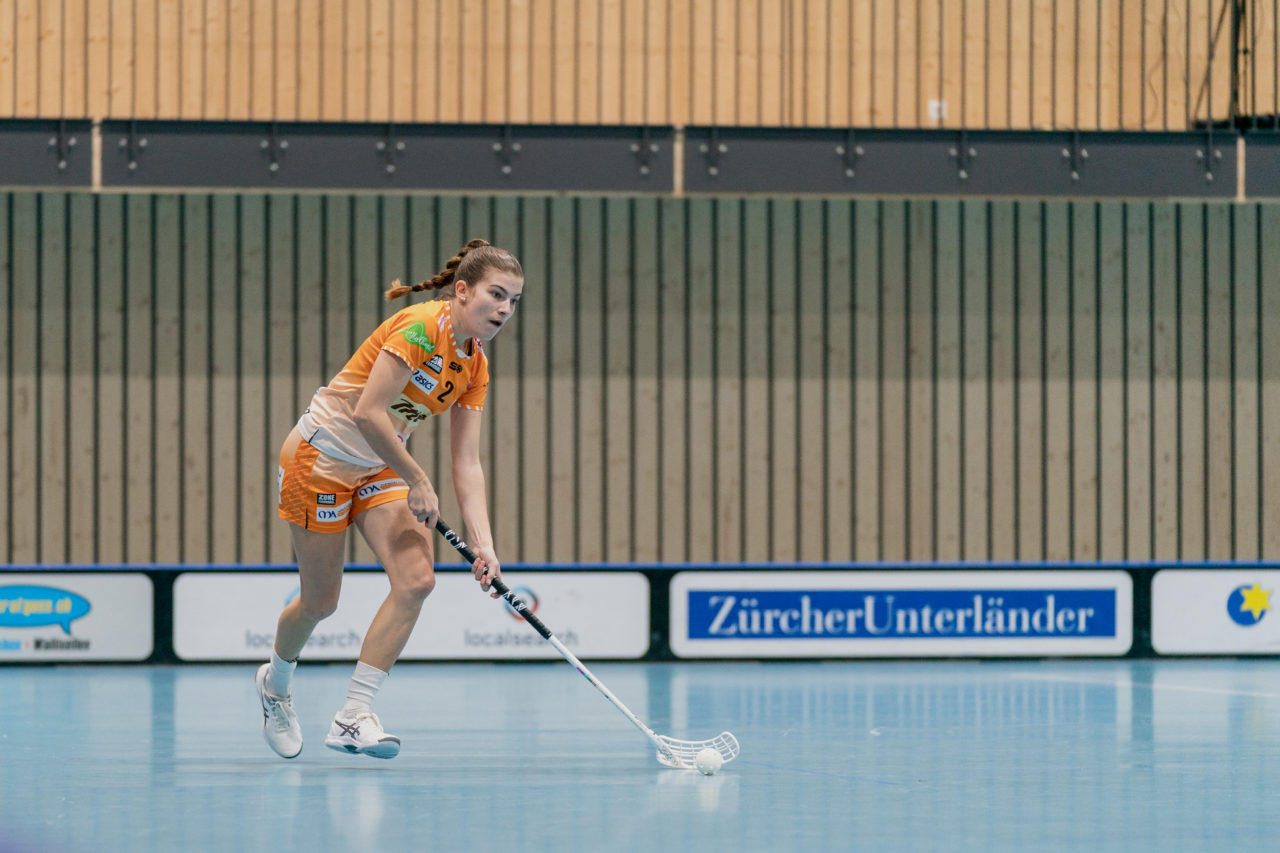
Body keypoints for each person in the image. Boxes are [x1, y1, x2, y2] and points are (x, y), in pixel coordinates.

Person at [256, 238, 524, 759]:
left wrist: (485, 545)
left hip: (380, 463)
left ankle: (353, 716)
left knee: (418, 580)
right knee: (320, 603)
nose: (505, 309)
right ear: (462, 290)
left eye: (514, 300)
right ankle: (275, 684)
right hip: (321, 462)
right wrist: (419, 481)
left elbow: (467, 463)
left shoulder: (475, 366)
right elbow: (367, 413)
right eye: (496, 294)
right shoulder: (420, 327)